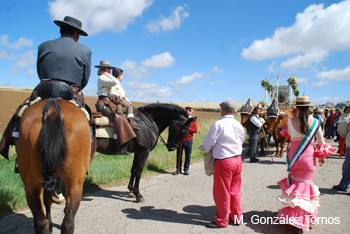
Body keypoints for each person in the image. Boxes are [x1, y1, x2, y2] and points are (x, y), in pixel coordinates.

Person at [0, 16, 91, 203]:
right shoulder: (85, 50)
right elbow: (85, 79)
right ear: (76, 33)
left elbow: (40, 71)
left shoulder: (43, 46)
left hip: (45, 87)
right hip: (70, 91)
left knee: (20, 113)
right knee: (87, 120)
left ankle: (13, 147)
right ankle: (84, 160)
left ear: (61, 30)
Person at [277, 96, 333, 233]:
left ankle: (293, 219)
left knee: (295, 187)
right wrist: (322, 157)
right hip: (308, 159)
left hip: (294, 158)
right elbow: (321, 141)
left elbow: (289, 135)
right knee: (305, 189)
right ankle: (301, 220)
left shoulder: (290, 121)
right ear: (309, 108)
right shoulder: (315, 122)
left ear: (296, 107)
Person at [199, 100, 245, 228]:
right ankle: (236, 217)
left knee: (222, 192)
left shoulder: (218, 124)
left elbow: (209, 143)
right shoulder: (238, 125)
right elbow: (241, 140)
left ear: (222, 110)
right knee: (235, 190)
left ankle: (222, 220)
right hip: (237, 159)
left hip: (224, 161)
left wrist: (202, 148)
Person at [173, 107, 198, 175]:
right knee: (179, 155)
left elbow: (195, 130)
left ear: (192, 112)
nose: (189, 111)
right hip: (181, 140)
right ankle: (178, 170)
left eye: (190, 110)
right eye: (187, 110)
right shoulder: (181, 119)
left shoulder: (193, 121)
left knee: (188, 156)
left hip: (189, 140)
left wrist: (188, 129)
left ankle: (186, 169)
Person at [333, 105, 350, 191]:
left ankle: (344, 185)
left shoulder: (347, 118)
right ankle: (344, 185)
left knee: (347, 166)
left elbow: (342, 130)